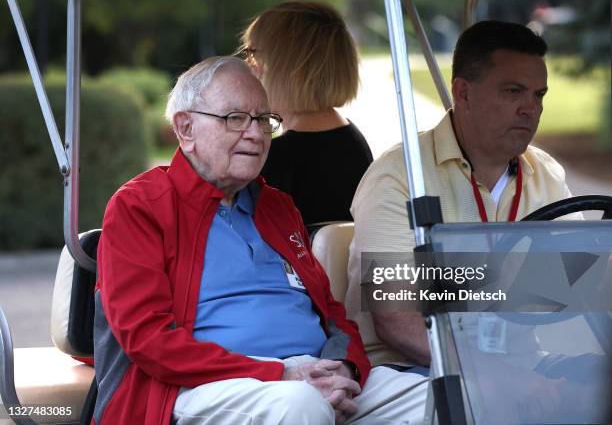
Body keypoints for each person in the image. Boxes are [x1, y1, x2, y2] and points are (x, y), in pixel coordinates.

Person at [93, 56, 423, 425]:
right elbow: (147, 338)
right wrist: (279, 375)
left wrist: (346, 369)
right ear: (185, 128)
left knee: (442, 395)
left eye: (264, 119)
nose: (255, 133)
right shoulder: (141, 206)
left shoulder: (277, 206)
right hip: (202, 384)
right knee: (299, 405)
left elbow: (332, 314)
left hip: (309, 373)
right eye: (234, 118)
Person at [344, 20, 583, 420]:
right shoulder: (400, 175)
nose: (532, 108)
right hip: (411, 370)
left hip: (522, 365)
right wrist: (499, 373)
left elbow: (578, 287)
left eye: (538, 95)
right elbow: (397, 320)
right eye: (513, 91)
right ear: (463, 92)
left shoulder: (547, 175)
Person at [239, 1, 373, 226]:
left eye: (253, 55)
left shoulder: (275, 162)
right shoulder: (353, 143)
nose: (248, 66)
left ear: (287, 67)